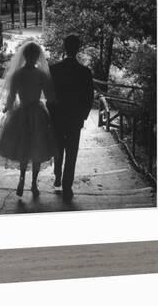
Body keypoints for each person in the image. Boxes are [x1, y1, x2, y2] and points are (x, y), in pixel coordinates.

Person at [0, 41, 57, 197]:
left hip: (21, 112)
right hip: (38, 113)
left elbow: (10, 99)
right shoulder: (41, 75)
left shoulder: (17, 74)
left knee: (24, 146)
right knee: (37, 147)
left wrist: (8, 110)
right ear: (38, 57)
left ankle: (22, 178)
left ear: (24, 56)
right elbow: (50, 97)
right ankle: (33, 184)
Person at [48, 35, 94, 201]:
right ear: (78, 49)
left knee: (58, 148)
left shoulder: (53, 69)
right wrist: (83, 116)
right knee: (72, 152)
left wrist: (51, 113)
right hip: (75, 119)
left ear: (64, 47)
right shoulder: (85, 72)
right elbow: (89, 97)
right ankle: (67, 186)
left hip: (58, 117)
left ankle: (58, 174)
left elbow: (50, 95)